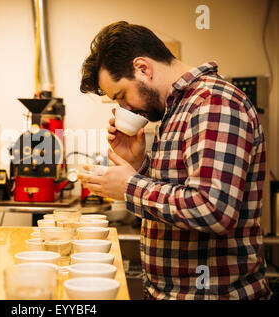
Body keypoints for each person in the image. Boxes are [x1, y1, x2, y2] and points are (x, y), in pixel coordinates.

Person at [77, 21, 272, 300]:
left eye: (121, 96)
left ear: (143, 68)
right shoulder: (176, 108)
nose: (124, 108)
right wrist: (138, 164)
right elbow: (178, 198)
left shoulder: (213, 103)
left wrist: (131, 186)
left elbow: (213, 210)